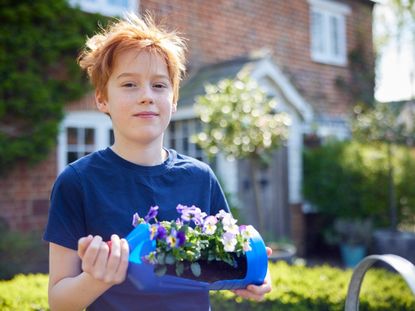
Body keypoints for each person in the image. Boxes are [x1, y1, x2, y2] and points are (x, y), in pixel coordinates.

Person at [44, 13, 272, 311]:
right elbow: (59, 301)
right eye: (129, 85)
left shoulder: (200, 177)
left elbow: (226, 258)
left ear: (174, 99)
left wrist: (252, 274)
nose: (146, 97)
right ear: (102, 99)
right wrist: (96, 279)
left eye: (159, 86)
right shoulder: (77, 183)